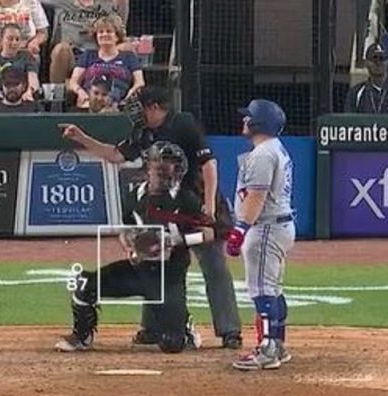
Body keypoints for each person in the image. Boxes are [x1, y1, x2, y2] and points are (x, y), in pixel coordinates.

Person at [59, 86, 243, 349]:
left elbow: (209, 164)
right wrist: (82, 138)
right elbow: (115, 154)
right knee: (152, 256)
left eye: (140, 107)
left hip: (197, 201)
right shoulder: (143, 133)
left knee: (213, 265)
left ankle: (229, 331)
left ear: (155, 107)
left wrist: (209, 205)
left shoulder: (182, 123)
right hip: (162, 203)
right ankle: (153, 327)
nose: (136, 114)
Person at [55, 141, 208, 353]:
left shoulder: (186, 199)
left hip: (169, 274)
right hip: (139, 269)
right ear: (149, 167)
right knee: (83, 285)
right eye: (160, 165)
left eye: (171, 165)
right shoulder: (135, 195)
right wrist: (129, 246)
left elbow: (209, 233)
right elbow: (126, 230)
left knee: (172, 344)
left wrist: (176, 240)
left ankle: (183, 323)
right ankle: (81, 336)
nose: (165, 170)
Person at [225, 100, 295, 371]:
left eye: (248, 118)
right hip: (277, 225)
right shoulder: (274, 149)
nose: (244, 121)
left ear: (258, 122)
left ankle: (268, 349)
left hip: (265, 226)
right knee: (273, 289)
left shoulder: (263, 154)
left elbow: (257, 196)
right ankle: (276, 344)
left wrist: (240, 229)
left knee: (262, 291)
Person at [41, 0, 128, 84]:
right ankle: (58, 94)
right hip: (71, 54)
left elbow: (119, 26)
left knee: (125, 47)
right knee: (61, 49)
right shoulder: (61, 2)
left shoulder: (106, 4)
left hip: (98, 54)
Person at [67, 15, 143, 109]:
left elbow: (140, 82)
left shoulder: (128, 57)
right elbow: (73, 82)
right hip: (89, 102)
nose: (104, 34)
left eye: (109, 31)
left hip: (119, 103)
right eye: (100, 32)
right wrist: (80, 92)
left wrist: (130, 95)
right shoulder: (88, 55)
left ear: (117, 36)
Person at [344, 43, 388, 114]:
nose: (378, 63)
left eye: (382, 59)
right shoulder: (355, 93)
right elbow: (348, 122)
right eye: (374, 59)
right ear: (366, 63)